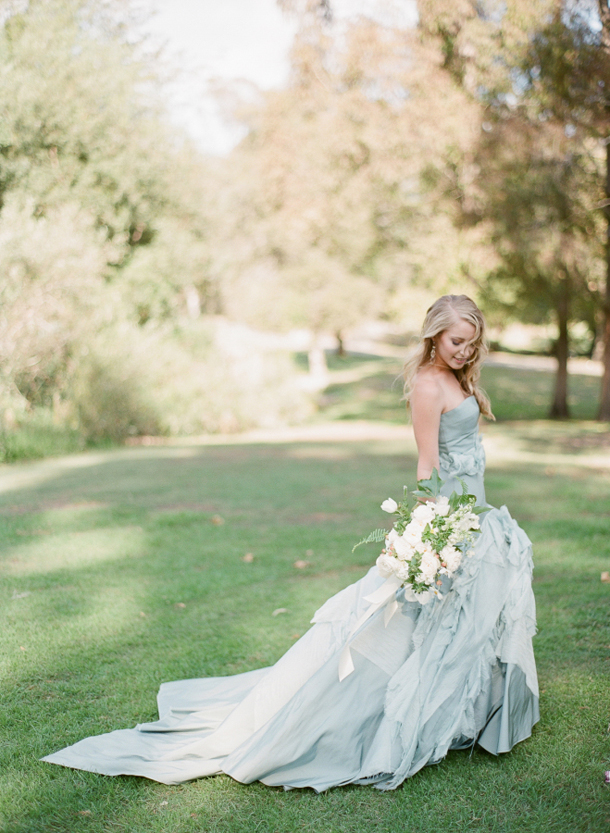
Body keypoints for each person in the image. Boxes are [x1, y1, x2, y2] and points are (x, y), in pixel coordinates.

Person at [42, 294, 538, 791]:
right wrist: (427, 537)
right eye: (457, 341)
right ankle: (385, 713)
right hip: (450, 519)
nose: (465, 351)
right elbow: (426, 466)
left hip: (475, 513)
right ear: (434, 334)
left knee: (462, 618)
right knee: (417, 618)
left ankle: (466, 712)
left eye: (472, 343)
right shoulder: (429, 385)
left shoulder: (457, 376)